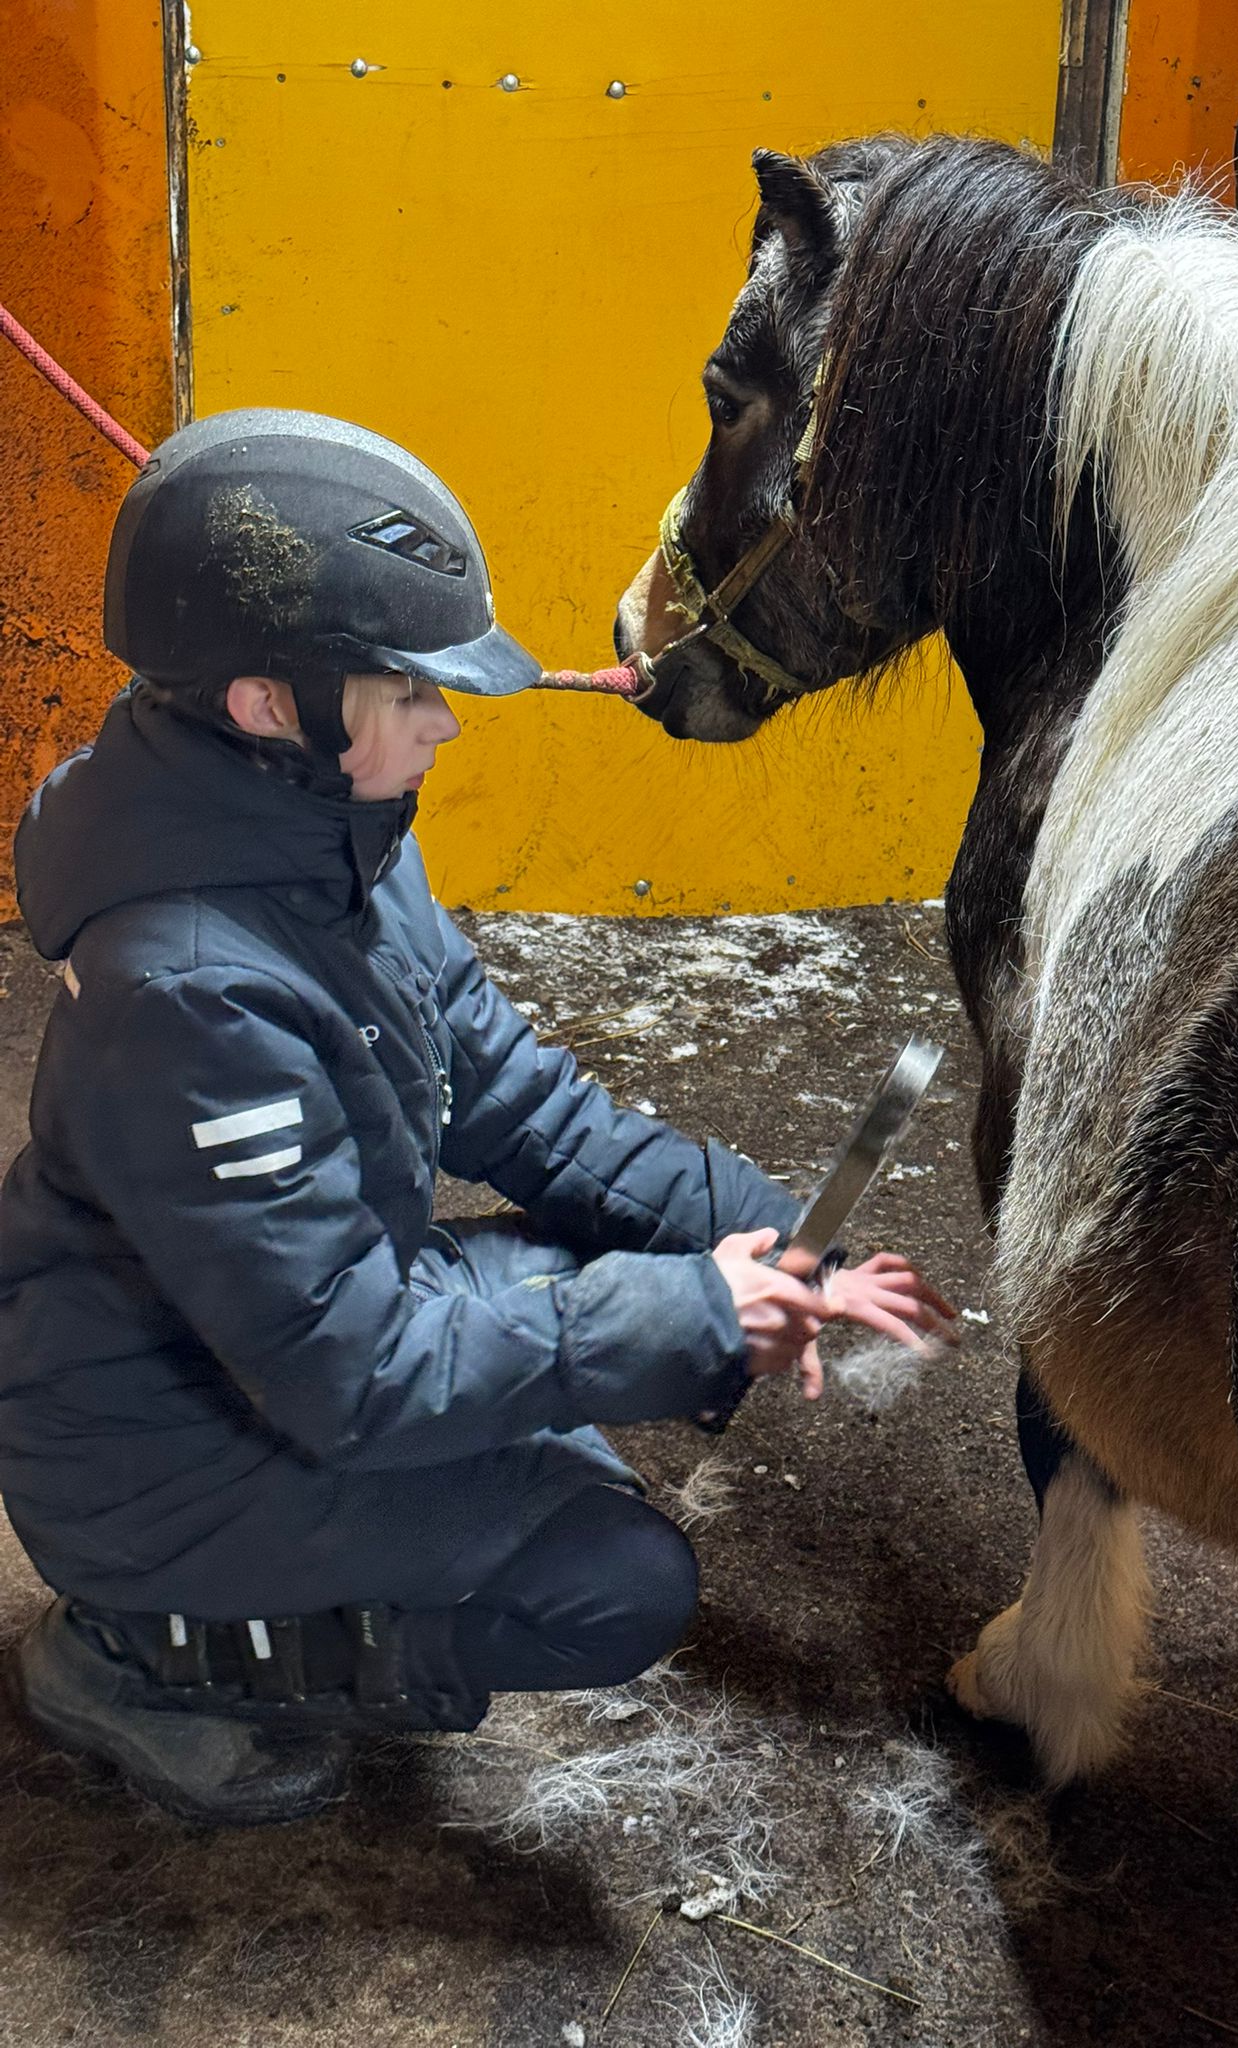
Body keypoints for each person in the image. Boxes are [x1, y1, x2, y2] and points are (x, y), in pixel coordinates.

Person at [0, 410, 951, 1826]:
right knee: (619, 1585)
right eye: (411, 690)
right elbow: (355, 1368)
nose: (447, 721)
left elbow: (523, 1113)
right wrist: (688, 1315)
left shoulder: (340, 835)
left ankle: (216, 1621)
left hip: (264, 1344)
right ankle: (144, 1656)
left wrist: (760, 1233)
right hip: (152, 1457)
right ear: (270, 702)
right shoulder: (188, 989)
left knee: (603, 1300)